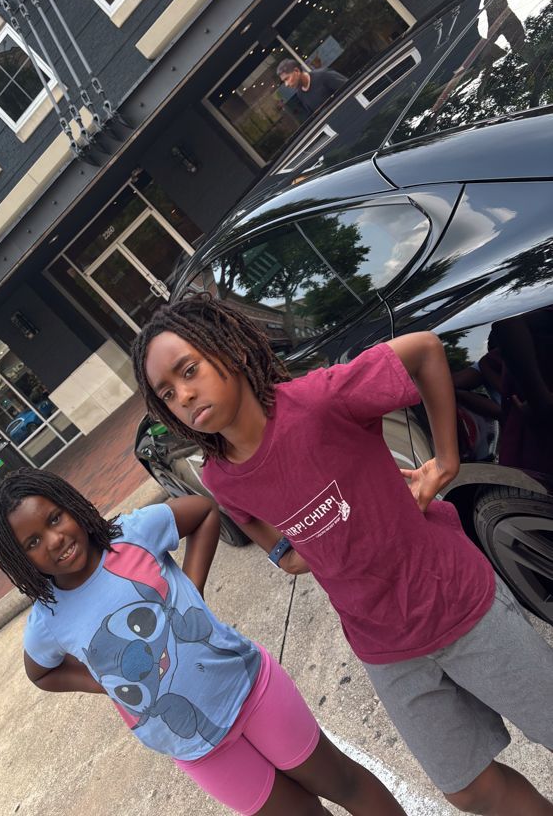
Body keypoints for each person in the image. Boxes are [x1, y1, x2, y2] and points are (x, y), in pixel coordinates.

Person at [132, 295, 553, 816]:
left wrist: (445, 462)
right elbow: (276, 543)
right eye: (167, 393)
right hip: (383, 647)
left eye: (189, 370)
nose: (184, 395)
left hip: (454, 602)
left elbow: (423, 351)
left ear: (233, 351)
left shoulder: (319, 401)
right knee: (466, 787)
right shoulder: (220, 477)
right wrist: (304, 551)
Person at [0, 468, 406, 816]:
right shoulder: (48, 619)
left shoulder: (131, 536)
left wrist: (193, 587)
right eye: (32, 543)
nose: (53, 540)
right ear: (20, 559)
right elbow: (40, 672)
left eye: (54, 519)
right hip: (195, 746)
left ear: (70, 507)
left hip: (249, 689)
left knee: (343, 783)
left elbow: (203, 513)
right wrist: (103, 680)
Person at [275, 58, 346, 121]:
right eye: (284, 81)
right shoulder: (300, 94)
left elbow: (349, 88)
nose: (286, 84)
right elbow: (316, 117)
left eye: (287, 79)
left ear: (296, 71)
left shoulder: (323, 75)